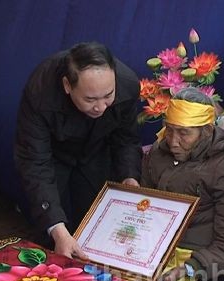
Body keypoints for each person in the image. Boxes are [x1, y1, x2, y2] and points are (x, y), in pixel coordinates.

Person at [14, 42, 142, 260]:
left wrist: (129, 177)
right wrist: (57, 230)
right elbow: (34, 161)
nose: (101, 107)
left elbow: (126, 140)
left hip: (96, 150)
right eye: (90, 99)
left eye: (108, 96)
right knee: (53, 231)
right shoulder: (41, 90)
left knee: (97, 227)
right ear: (67, 85)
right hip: (53, 155)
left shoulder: (128, 84)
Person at [140, 87, 224, 281]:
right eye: (169, 129)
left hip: (206, 259)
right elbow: (145, 208)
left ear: (206, 131)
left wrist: (188, 268)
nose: (173, 141)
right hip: (157, 251)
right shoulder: (158, 152)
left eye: (184, 133)